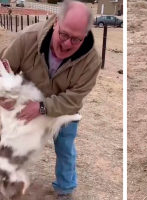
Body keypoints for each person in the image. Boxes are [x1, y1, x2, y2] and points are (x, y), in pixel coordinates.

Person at [0, 0, 101, 199]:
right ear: (56, 22)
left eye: (76, 39)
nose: (67, 43)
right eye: (63, 34)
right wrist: (5, 96)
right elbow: (3, 69)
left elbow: (74, 98)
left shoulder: (91, 61)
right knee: (6, 137)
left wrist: (42, 107)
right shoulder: (27, 38)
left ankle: (65, 189)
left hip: (62, 110)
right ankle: (8, 179)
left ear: (85, 36)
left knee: (65, 147)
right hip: (26, 100)